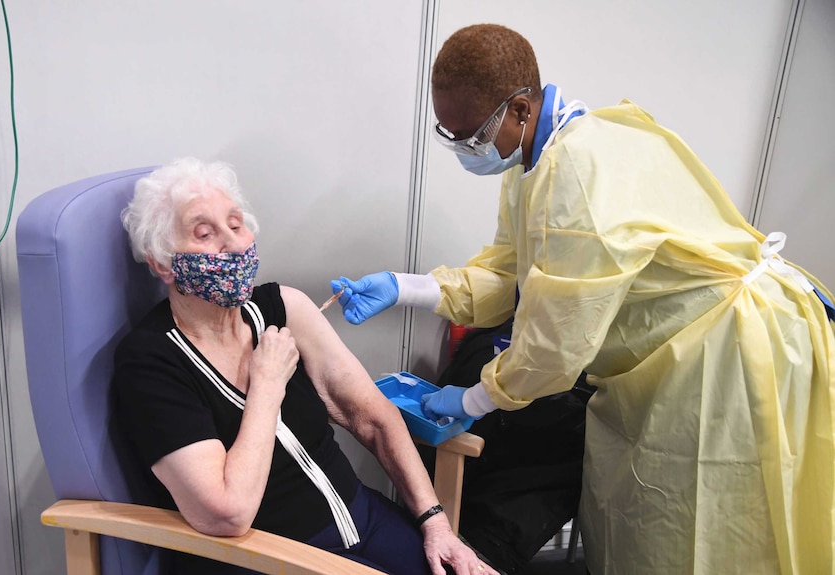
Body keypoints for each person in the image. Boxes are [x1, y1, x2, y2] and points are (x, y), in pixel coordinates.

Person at [331, 23, 835, 575]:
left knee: (714, 538)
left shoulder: (575, 176)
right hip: (678, 354)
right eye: (447, 135)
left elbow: (552, 350)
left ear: (520, 109)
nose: (463, 151)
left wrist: (470, 400)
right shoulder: (537, 163)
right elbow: (510, 278)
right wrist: (406, 288)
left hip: (726, 357)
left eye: (471, 137)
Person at [113, 157, 498, 575]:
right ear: (162, 263)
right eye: (204, 233)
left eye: (237, 224)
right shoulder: (150, 362)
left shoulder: (284, 307)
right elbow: (226, 513)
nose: (233, 244)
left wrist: (436, 524)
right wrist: (267, 384)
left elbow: (373, 418)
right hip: (268, 556)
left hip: (362, 520)